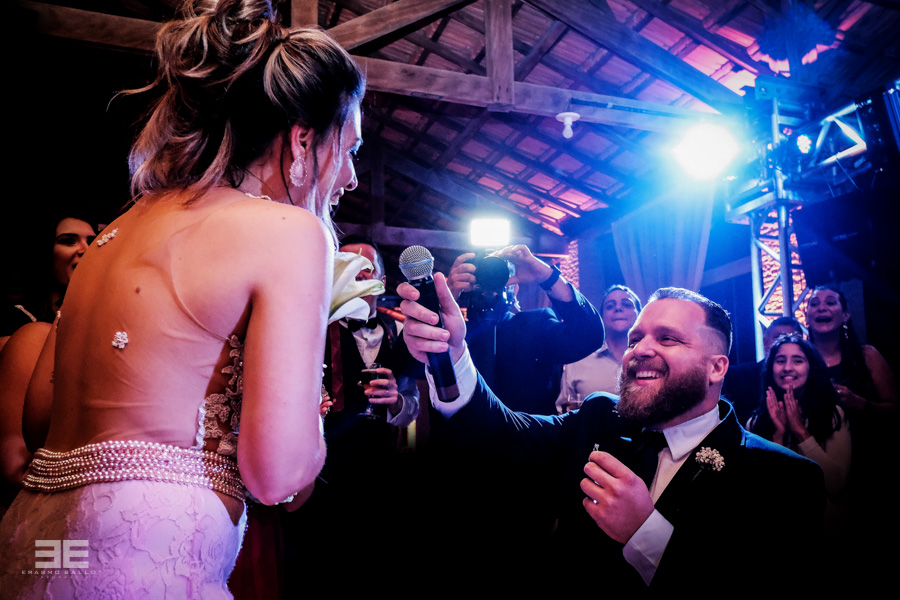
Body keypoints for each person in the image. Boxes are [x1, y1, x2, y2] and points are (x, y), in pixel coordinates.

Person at [0, 1, 365, 597]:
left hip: (32, 547)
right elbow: (277, 476)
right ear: (301, 140)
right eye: (347, 150)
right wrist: (308, 411)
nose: (349, 177)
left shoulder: (115, 233)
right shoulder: (289, 233)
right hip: (146, 566)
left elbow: (39, 424)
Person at [399, 280, 825, 593]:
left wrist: (646, 533)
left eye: (668, 338)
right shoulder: (600, 419)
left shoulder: (784, 478)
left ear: (716, 367)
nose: (640, 349)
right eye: (636, 338)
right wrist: (451, 356)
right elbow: (502, 434)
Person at [280, 235, 421, 593]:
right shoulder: (310, 330)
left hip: (381, 471)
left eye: (365, 269)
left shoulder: (400, 333)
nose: (356, 275)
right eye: (345, 266)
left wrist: (398, 402)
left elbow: (413, 406)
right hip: (324, 473)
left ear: (382, 281)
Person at [446, 245, 604, 415]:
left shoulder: (536, 324)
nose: (490, 287)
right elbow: (420, 366)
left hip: (529, 431)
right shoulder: (450, 332)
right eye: (482, 277)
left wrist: (546, 276)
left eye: (497, 275)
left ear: (515, 287)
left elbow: (590, 335)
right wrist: (446, 297)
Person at [746, 334, 850, 531]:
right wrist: (778, 437)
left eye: (798, 361)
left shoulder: (833, 415)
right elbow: (759, 491)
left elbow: (836, 485)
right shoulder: (756, 422)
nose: (787, 368)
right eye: (780, 361)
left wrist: (800, 432)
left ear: (811, 369)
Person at [1, 215, 97, 351]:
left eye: (92, 242)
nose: (86, 249)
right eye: (69, 241)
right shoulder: (16, 320)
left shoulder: (101, 314)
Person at [556, 284, 641, 413]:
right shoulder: (579, 360)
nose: (618, 308)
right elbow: (563, 410)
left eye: (627, 304)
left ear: (640, 315)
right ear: (601, 318)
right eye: (610, 306)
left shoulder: (651, 357)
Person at [723, 315, 805, 424]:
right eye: (778, 337)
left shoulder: (812, 379)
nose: (784, 343)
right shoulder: (738, 377)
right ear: (765, 342)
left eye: (790, 338)